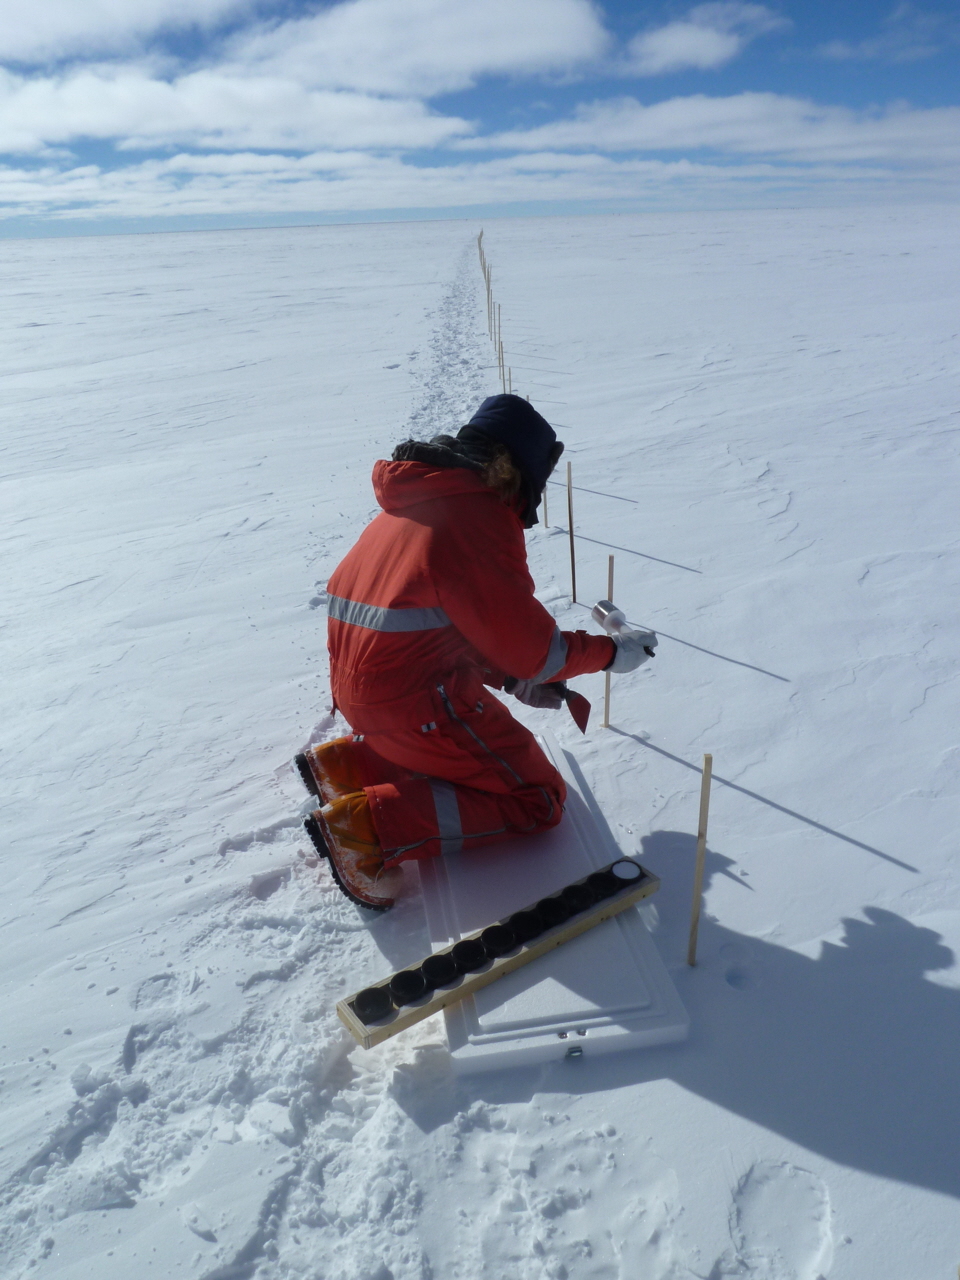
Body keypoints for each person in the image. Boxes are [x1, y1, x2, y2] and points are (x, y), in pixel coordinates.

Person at [296, 394, 656, 909]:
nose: (528, 510)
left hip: (368, 695)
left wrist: (509, 676)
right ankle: (366, 830)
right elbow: (537, 652)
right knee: (537, 798)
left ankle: (350, 766)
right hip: (412, 703)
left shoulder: (417, 501)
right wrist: (610, 654)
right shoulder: (476, 518)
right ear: (513, 471)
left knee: (481, 759)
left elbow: (440, 621)